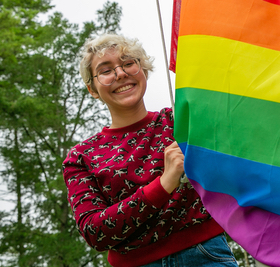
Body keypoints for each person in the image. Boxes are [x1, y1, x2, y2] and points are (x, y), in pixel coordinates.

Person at [62, 33, 238, 267]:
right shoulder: (81, 157)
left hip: (205, 256)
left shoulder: (180, 121)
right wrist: (165, 183)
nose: (120, 73)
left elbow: (237, 160)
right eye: (106, 70)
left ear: (143, 70)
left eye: (128, 63)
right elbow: (95, 231)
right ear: (92, 88)